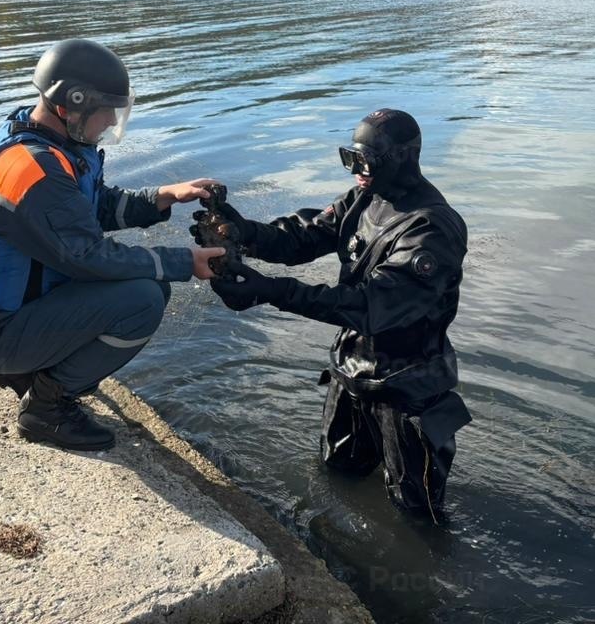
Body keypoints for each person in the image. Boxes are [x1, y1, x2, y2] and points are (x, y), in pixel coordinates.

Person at [0, 38, 225, 452]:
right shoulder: (31, 169)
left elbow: (91, 207)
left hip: (7, 313)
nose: (111, 120)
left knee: (147, 285)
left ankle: (36, 372)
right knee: (142, 299)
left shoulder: (48, 143)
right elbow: (88, 256)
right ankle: (46, 408)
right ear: (70, 104)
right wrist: (185, 261)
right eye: (105, 109)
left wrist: (163, 196)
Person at [197, 108, 470, 521]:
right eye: (349, 158)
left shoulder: (431, 230)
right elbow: (303, 237)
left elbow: (371, 306)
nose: (356, 171)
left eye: (365, 161)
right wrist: (243, 232)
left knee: (419, 513)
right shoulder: (364, 198)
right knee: (336, 474)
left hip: (407, 390)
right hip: (351, 372)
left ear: (402, 157)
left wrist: (272, 291)